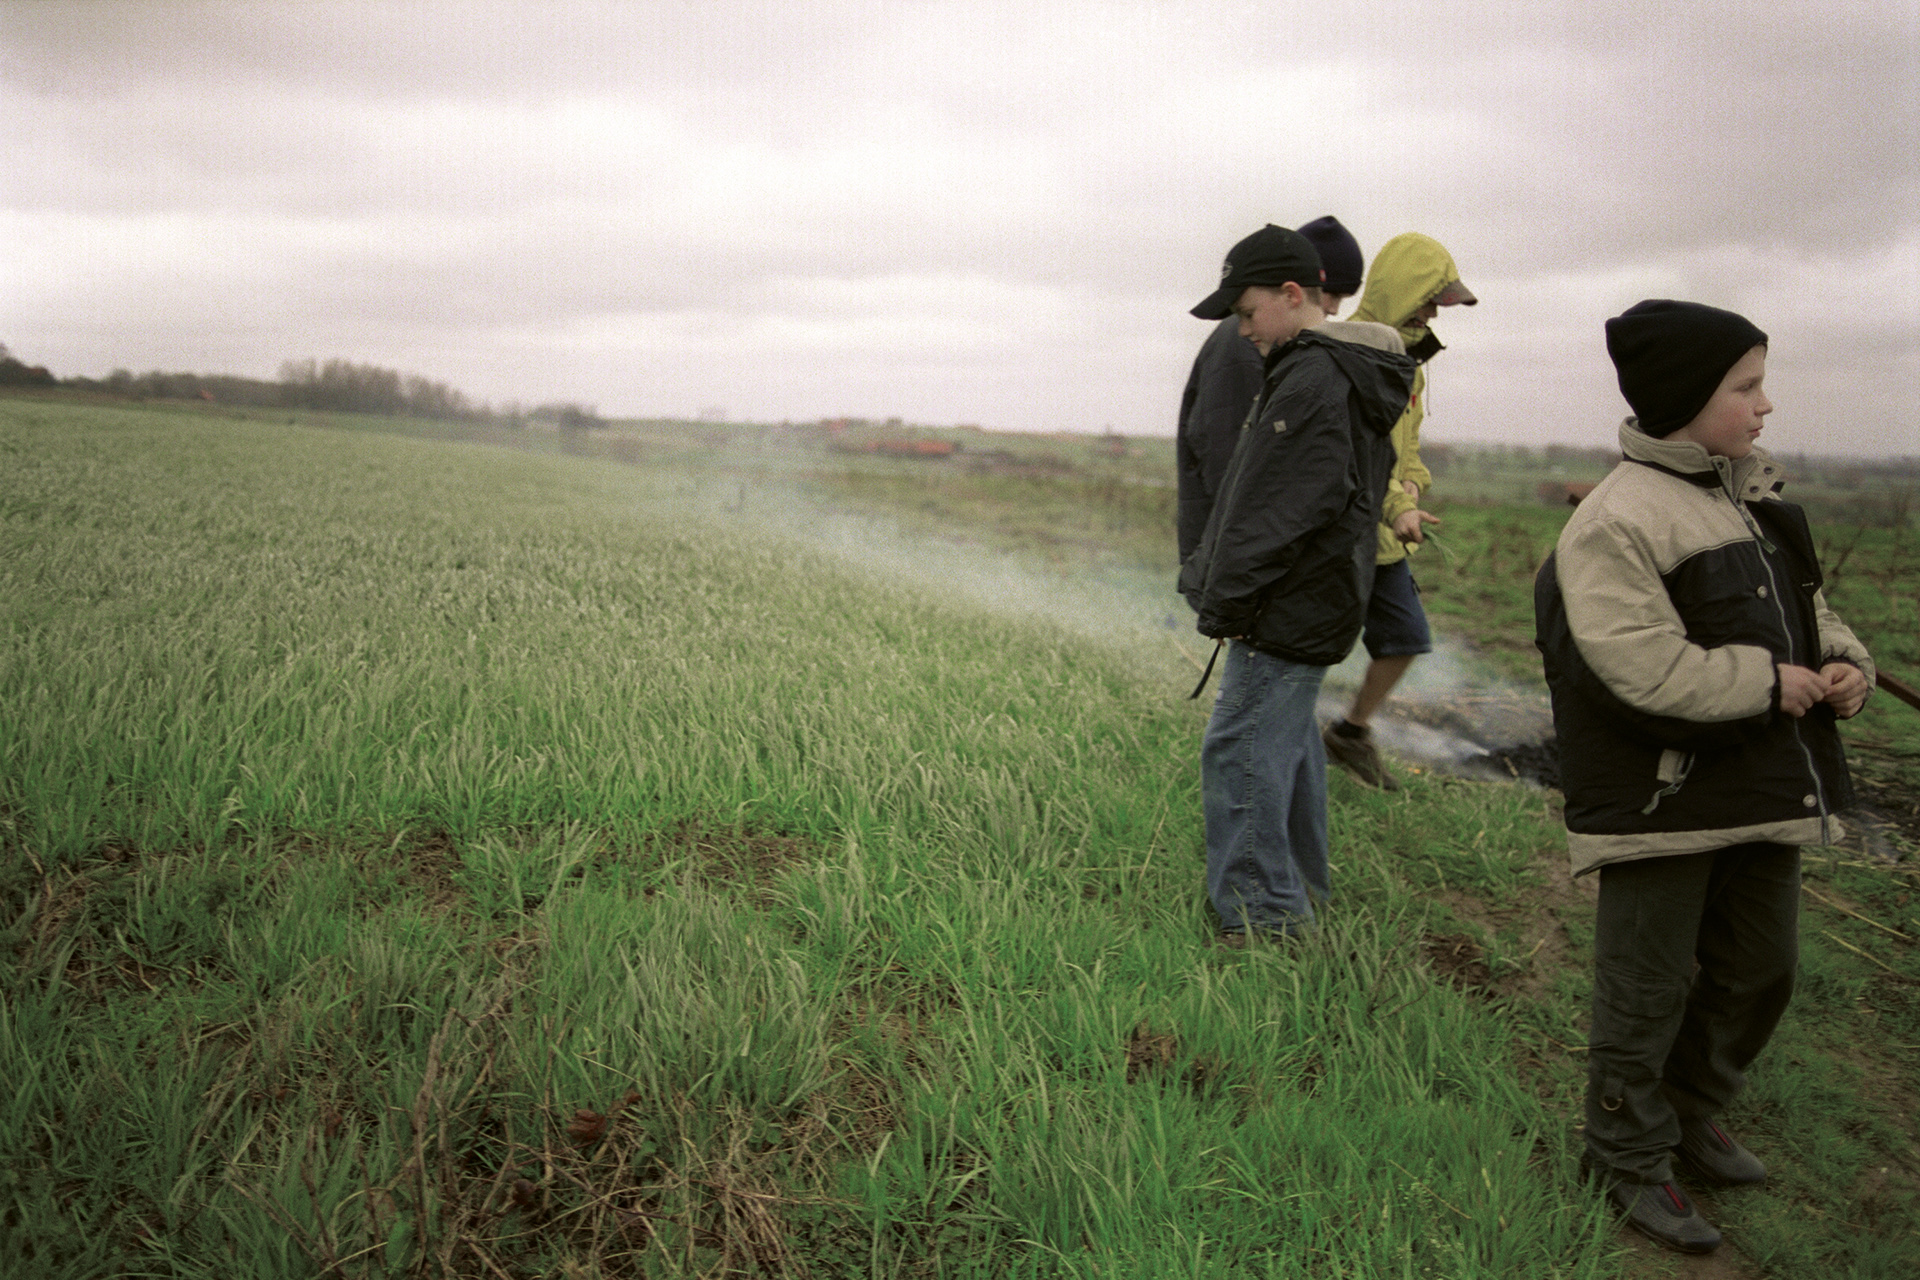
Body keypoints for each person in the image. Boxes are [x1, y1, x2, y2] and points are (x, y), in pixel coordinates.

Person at [1534, 299, 1874, 1253]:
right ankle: (1625, 1152)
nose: (1766, 405)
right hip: (1664, 801)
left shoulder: (1747, 496)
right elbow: (1632, 663)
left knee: (1759, 970)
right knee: (1645, 988)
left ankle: (1687, 1112)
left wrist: (1844, 666)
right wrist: (1770, 684)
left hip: (1760, 788)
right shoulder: (1617, 522)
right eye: (1746, 385)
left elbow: (1810, 614)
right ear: (1686, 397)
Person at [1178, 225, 1416, 943]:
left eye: (1247, 312)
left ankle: (1262, 921)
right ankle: (1302, 886)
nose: (1241, 330)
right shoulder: (1332, 369)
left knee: (1242, 747)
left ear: (1289, 294)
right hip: (1312, 598)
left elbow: (1274, 511)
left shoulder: (1312, 378)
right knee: (1285, 744)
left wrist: (1226, 601)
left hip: (1286, 603)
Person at [1321, 233, 1477, 790]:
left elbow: (1404, 446)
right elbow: (1355, 455)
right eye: (1431, 297)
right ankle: (1279, 733)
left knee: (1407, 636)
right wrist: (1392, 506)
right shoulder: (1345, 352)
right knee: (1314, 641)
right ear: (1403, 288)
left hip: (1388, 536)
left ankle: (1349, 732)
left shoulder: (1412, 361)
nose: (1436, 312)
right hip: (1342, 535)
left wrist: (1413, 484)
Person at [1176, 216, 1370, 564]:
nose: (1334, 309)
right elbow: (1232, 470)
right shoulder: (1247, 348)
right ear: (1296, 290)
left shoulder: (1286, 350)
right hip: (1237, 564)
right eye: (1331, 293)